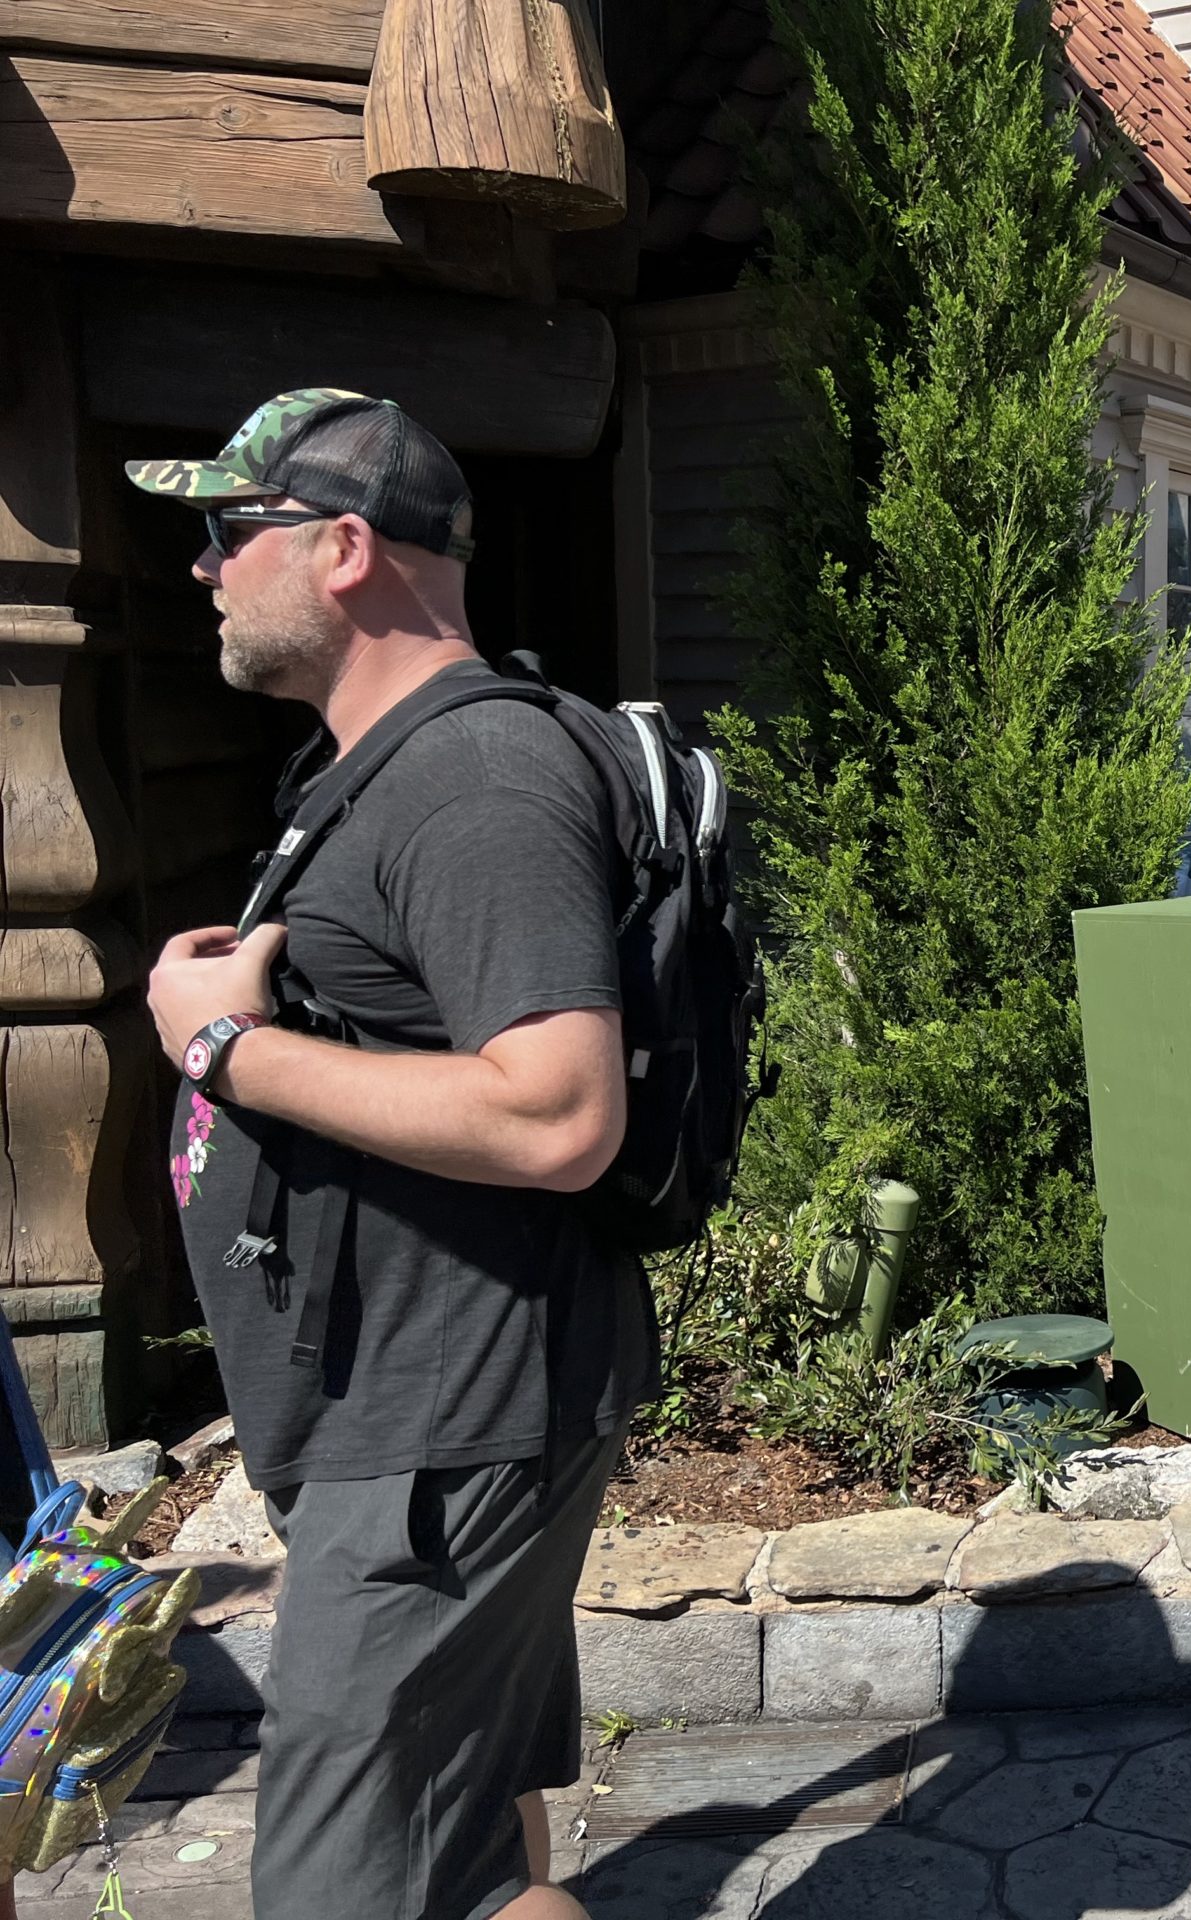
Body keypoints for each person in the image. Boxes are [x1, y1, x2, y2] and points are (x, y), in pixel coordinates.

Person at [130, 391, 648, 1920]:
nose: (203, 568)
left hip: (443, 1429)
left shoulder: (476, 780)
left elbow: (558, 1114)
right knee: (477, 1864)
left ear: (344, 548)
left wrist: (226, 1048)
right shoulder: (387, 764)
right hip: (412, 1413)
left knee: (341, 1892)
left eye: (229, 530)